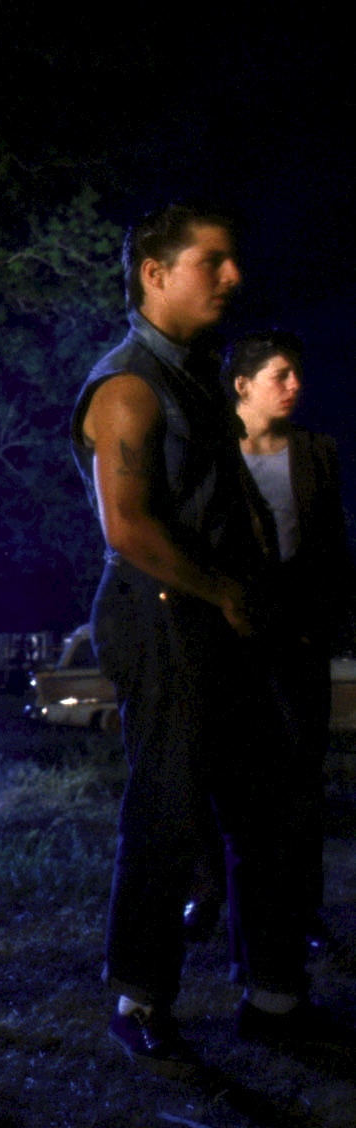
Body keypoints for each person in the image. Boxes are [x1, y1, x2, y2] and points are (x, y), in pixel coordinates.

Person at [74, 205, 328, 1071]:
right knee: (170, 809)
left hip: (227, 622)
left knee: (270, 809)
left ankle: (273, 995)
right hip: (164, 619)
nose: (233, 277)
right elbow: (128, 525)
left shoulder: (198, 381)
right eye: (211, 263)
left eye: (233, 261)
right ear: (154, 272)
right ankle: (140, 998)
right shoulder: (129, 386)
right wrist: (223, 589)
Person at [224, 330, 352, 948]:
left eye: (297, 374)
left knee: (301, 779)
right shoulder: (217, 453)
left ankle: (304, 911)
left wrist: (325, 615)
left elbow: (330, 545)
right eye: (281, 375)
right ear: (243, 386)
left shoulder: (315, 451)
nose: (296, 386)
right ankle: (219, 897)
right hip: (234, 638)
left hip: (298, 635)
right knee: (234, 780)